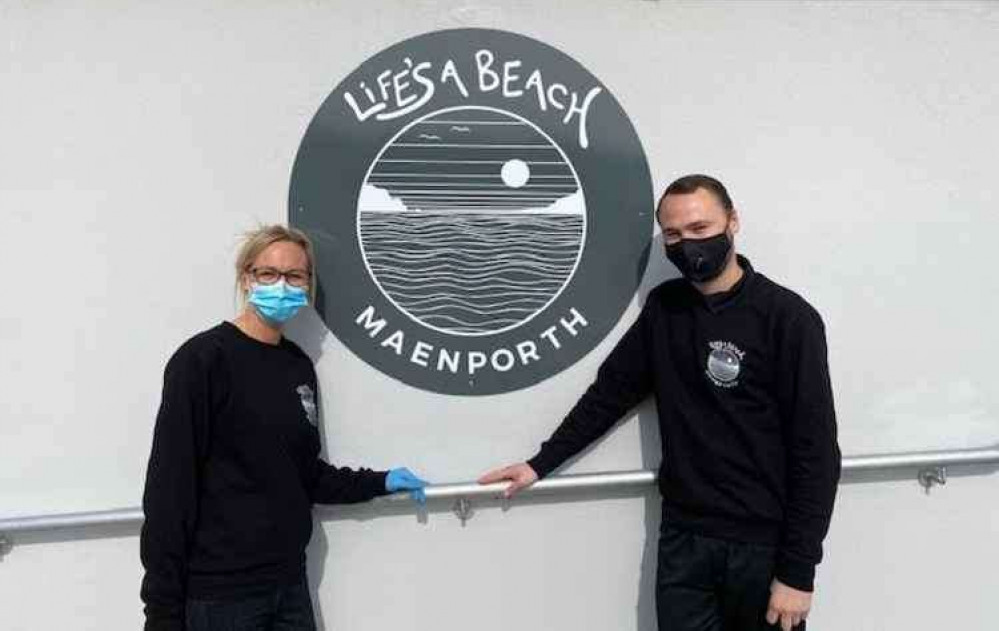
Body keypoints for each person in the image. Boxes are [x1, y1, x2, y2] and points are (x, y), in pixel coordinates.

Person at [480, 175, 840, 631]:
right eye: (673, 235)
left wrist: (798, 570)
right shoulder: (664, 310)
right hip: (684, 545)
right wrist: (539, 463)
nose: (686, 244)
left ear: (733, 222)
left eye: (699, 228)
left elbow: (818, 455)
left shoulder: (788, 319)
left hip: (762, 549)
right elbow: (609, 394)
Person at [141, 224, 428, 631]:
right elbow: (169, 492)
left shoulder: (297, 366)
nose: (282, 285)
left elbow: (306, 475)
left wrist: (380, 482)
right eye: (268, 274)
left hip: (288, 588)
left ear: (307, 285)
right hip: (221, 598)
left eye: (295, 276)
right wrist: (162, 614)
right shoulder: (203, 361)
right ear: (246, 277)